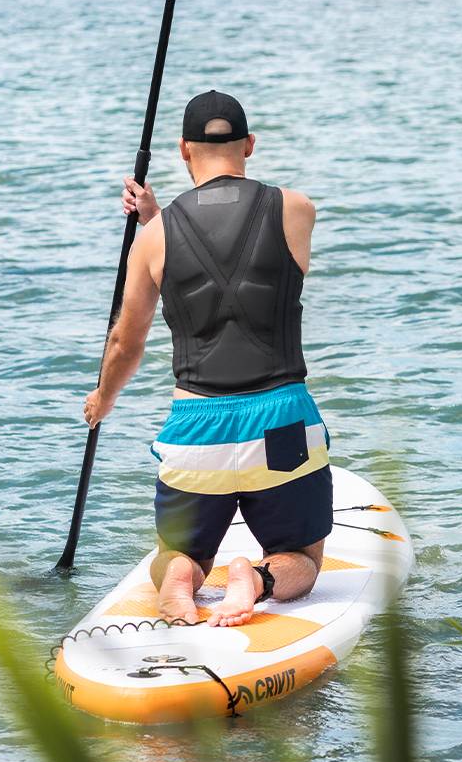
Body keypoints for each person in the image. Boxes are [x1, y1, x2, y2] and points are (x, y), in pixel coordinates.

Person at [83, 90, 332, 628]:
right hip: (281, 421)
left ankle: (181, 576)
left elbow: (127, 341)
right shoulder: (296, 208)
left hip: (198, 430)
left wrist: (102, 398)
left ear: (182, 151)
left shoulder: (154, 238)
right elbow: (238, 242)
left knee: (182, 553)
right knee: (303, 558)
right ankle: (260, 579)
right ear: (249, 145)